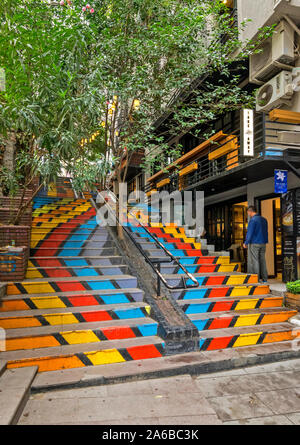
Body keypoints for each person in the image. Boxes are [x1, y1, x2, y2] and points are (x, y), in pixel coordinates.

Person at [243, 205, 268, 283]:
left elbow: (250, 233)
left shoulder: (253, 220)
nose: (248, 214)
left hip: (254, 243)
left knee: (255, 260)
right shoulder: (264, 220)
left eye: (248, 212)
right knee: (262, 260)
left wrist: (246, 242)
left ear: (250, 211)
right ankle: (264, 279)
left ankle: (256, 279)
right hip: (263, 243)